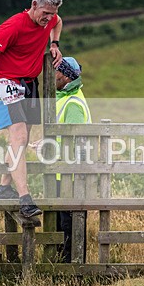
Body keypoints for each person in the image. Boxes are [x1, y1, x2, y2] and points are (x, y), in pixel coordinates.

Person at [0, 0, 64, 218]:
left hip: (30, 84)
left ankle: (4, 187)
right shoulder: (13, 25)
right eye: (45, 13)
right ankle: (25, 199)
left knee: (21, 141)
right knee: (20, 136)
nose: (48, 18)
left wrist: (55, 44)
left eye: (51, 13)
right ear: (33, 5)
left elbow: (59, 22)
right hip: (7, 82)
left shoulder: (51, 20)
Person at [53, 57, 91, 262]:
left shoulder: (73, 103)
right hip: (62, 172)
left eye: (56, 71)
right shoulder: (64, 97)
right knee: (62, 222)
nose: (52, 75)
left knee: (70, 223)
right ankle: (63, 266)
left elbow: (75, 141)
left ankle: (73, 268)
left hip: (72, 175)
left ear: (66, 76)